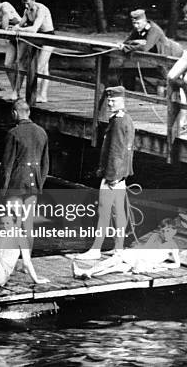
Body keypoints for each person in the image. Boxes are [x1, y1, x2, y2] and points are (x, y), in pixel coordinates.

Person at [75, 86, 135, 260]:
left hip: (113, 175)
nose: (109, 103)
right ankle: (118, 248)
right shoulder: (126, 119)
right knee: (119, 212)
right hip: (121, 175)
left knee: (104, 211)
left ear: (122, 101)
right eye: (108, 100)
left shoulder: (118, 122)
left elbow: (117, 151)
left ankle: (95, 249)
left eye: (113, 100)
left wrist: (112, 177)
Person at [0, 99, 49, 254]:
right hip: (34, 185)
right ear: (29, 112)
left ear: (14, 113)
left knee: (13, 222)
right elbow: (46, 165)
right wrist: (40, 183)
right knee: (28, 223)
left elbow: (7, 167)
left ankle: (10, 259)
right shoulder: (42, 132)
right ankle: (26, 263)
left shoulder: (13, 133)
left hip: (16, 184)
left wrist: (1, 192)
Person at [73, 219, 180, 278]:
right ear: (159, 231)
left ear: (174, 232)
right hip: (141, 257)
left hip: (148, 263)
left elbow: (177, 264)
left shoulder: (173, 246)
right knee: (115, 259)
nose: (165, 234)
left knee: (114, 268)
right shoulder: (155, 236)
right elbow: (146, 249)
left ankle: (87, 273)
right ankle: (88, 272)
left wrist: (162, 265)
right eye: (163, 231)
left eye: (168, 231)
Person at [11, 0, 55, 103]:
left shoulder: (41, 9)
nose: (26, 6)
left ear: (33, 1)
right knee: (43, 68)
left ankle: (32, 96)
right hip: (38, 38)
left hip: (48, 37)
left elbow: (34, 28)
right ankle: (42, 96)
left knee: (40, 67)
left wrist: (19, 29)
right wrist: (13, 27)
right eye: (24, 3)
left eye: (28, 3)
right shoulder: (27, 11)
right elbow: (20, 23)